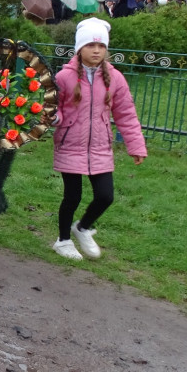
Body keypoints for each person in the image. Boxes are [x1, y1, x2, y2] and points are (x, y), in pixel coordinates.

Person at [51, 18, 147, 261]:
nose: (96, 51)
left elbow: (126, 113)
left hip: (100, 146)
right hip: (71, 143)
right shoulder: (64, 77)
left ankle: (82, 227)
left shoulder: (115, 79)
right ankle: (63, 241)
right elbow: (53, 106)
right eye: (91, 46)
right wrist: (55, 117)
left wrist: (135, 145)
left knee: (106, 196)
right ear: (79, 48)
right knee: (72, 197)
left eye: (101, 46)